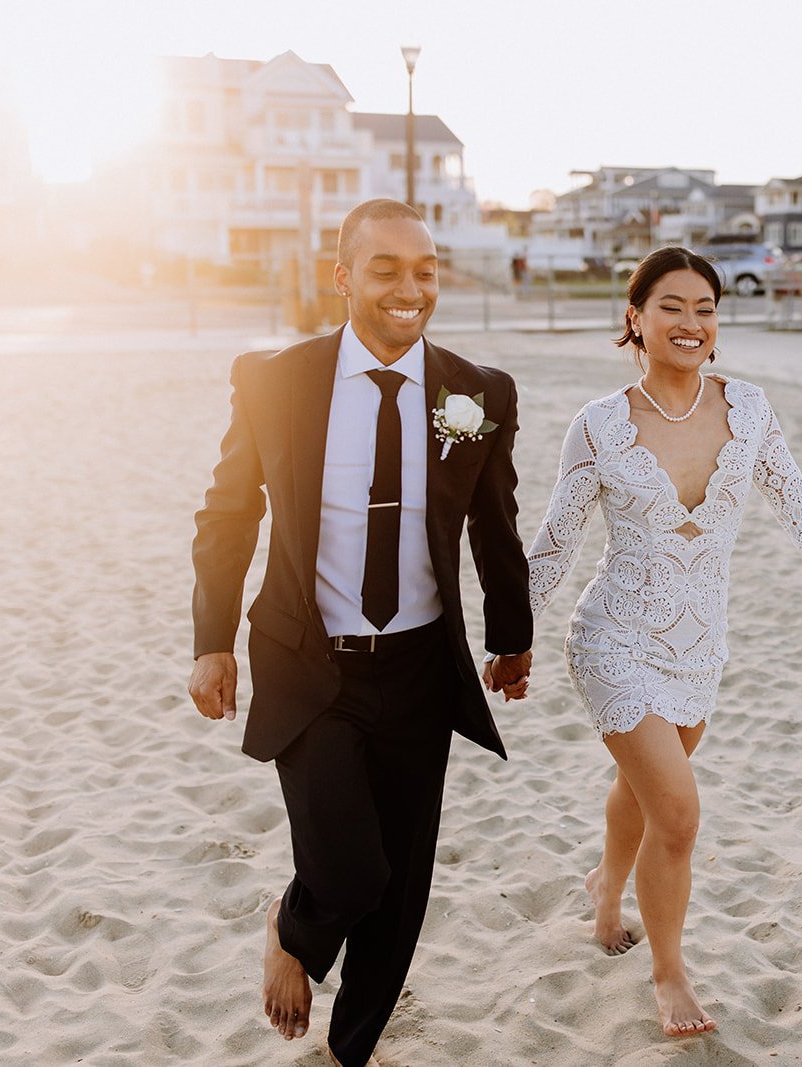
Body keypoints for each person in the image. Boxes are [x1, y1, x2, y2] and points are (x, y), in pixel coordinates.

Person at [525, 246, 802, 1037]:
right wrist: (510, 641)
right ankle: (669, 974)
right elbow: (554, 546)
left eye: (705, 307)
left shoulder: (751, 411)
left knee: (642, 788)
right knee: (677, 811)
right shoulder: (598, 426)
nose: (691, 322)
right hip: (613, 641)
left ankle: (606, 888)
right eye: (672, 306)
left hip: (701, 650)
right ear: (634, 318)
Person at [187, 198, 532, 1066]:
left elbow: (496, 525)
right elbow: (229, 513)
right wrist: (212, 639)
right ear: (342, 277)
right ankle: (293, 926)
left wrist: (510, 633)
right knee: (348, 873)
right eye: (386, 270)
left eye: (426, 271)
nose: (409, 289)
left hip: (419, 667)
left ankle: (349, 1052)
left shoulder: (476, 393)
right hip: (312, 664)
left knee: (401, 889)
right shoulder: (276, 382)